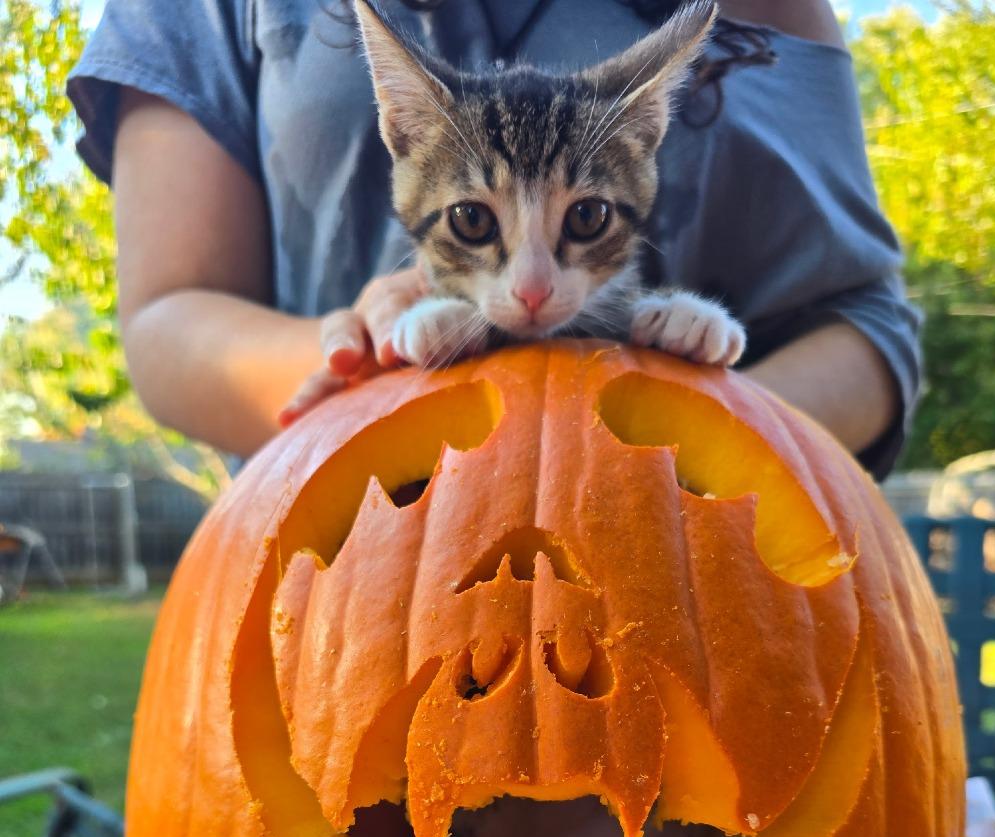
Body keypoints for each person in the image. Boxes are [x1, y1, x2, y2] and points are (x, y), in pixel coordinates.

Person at [68, 0, 918, 478]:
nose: (536, 287)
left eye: (584, 220)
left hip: (715, 556)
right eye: (475, 223)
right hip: (347, 562)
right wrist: (368, 368)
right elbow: (167, 314)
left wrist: (699, 447)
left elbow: (868, 320)